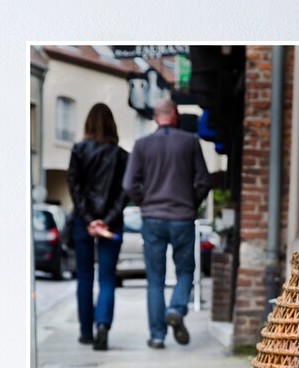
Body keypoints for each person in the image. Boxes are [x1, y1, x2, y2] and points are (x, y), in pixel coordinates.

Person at [122, 99, 212, 349]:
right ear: (173, 114)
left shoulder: (141, 145)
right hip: (182, 217)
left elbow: (129, 185)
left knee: (155, 279)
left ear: (155, 117)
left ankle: (158, 335)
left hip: (152, 218)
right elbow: (204, 181)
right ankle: (176, 307)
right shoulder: (190, 142)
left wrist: (145, 203)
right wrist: (190, 203)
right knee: (185, 271)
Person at [67, 103, 128, 351]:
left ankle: (86, 332)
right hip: (111, 225)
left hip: (83, 224)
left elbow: (75, 187)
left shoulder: (79, 150)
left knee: (84, 277)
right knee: (106, 278)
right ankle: (102, 324)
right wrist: (107, 220)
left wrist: (89, 219)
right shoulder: (122, 155)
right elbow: (125, 194)